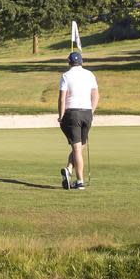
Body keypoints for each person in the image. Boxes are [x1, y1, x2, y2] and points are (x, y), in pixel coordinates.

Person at [58, 51, 99, 190]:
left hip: (72, 114)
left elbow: (62, 98)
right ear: (81, 62)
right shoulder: (90, 74)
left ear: (69, 62)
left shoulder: (65, 76)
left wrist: (61, 116)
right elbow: (95, 96)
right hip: (87, 113)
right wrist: (91, 112)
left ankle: (79, 181)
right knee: (79, 147)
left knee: (77, 148)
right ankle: (69, 169)